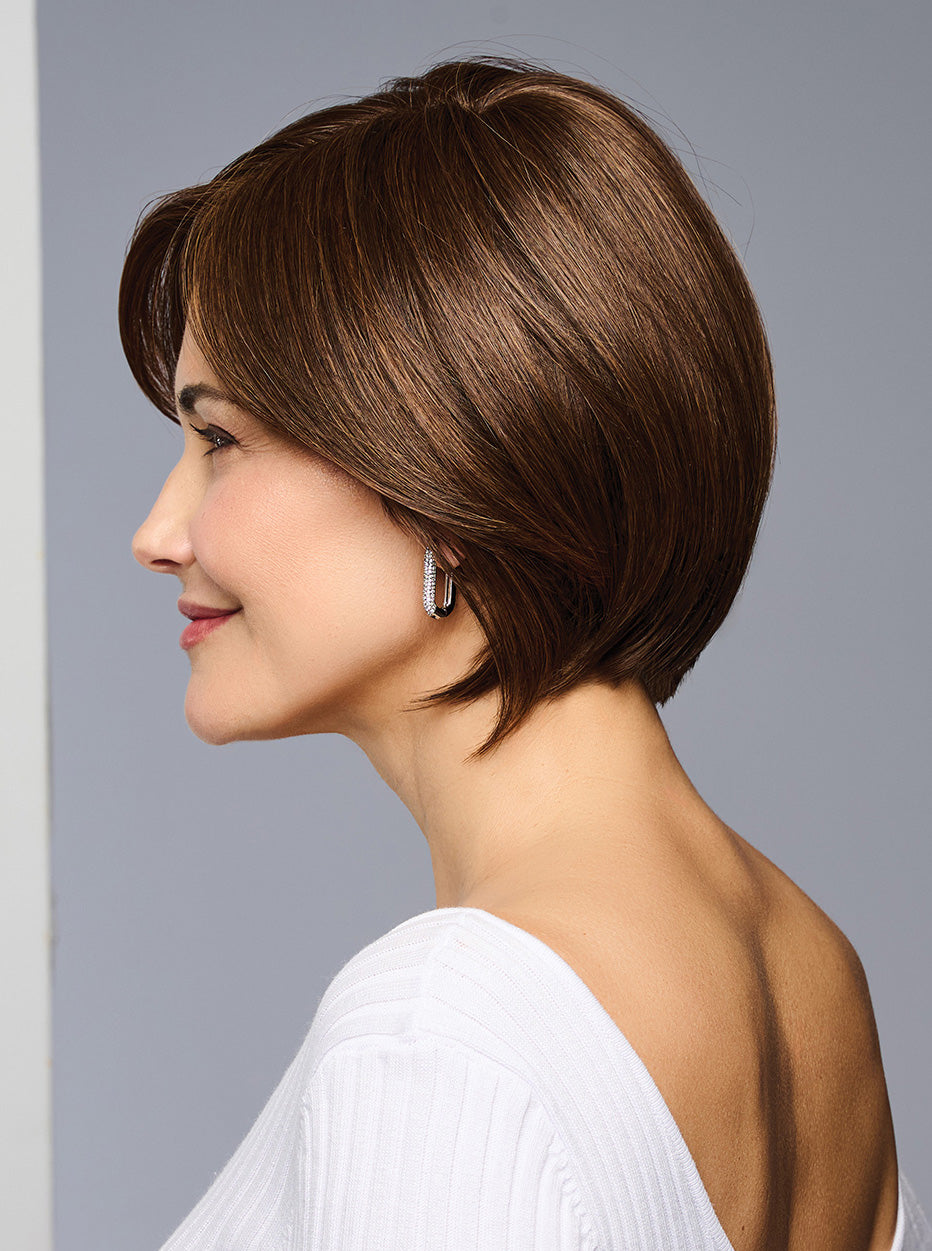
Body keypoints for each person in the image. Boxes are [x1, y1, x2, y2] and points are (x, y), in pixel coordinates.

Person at [122, 55, 930, 1251]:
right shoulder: (810, 970)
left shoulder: (440, 1032)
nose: (157, 534)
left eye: (220, 440)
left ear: (447, 465)